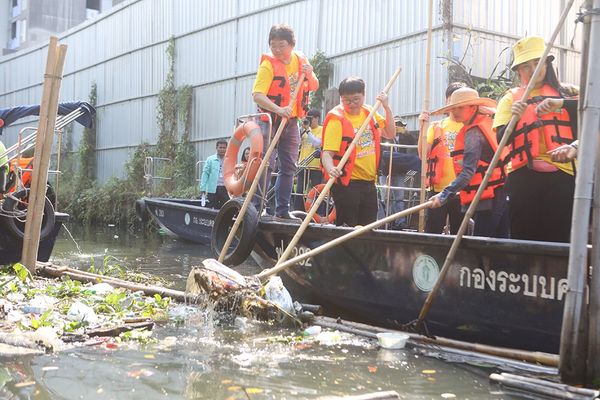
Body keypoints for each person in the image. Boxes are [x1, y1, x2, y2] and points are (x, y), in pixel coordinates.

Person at [493, 36, 578, 242]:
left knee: (559, 238)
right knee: (524, 236)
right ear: (518, 71)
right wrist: (514, 118)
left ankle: (558, 275)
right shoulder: (509, 98)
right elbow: (501, 140)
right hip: (523, 177)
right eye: (525, 66)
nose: (533, 70)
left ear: (547, 63)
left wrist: (560, 104)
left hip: (562, 175)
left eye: (537, 63)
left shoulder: (569, 92)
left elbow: (592, 110)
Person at [252, 24, 319, 222]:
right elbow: (257, 95)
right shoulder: (268, 65)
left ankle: (282, 210)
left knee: (289, 166)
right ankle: (256, 208)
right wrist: (279, 109)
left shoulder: (301, 60)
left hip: (291, 121)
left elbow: (314, 85)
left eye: (281, 45)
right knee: (266, 164)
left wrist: (310, 73)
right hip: (270, 120)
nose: (277, 50)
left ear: (291, 44)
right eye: (273, 46)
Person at [429, 87, 509, 238]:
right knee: (501, 242)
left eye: (460, 107)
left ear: (473, 108)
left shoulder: (473, 133)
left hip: (491, 197)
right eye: (454, 108)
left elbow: (468, 172)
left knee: (481, 241)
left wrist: (444, 195)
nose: (455, 111)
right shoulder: (485, 123)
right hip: (498, 192)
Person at [321, 76, 395, 226]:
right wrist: (331, 168)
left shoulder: (370, 112)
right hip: (347, 184)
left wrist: (386, 107)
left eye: (356, 99)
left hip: (369, 183)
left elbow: (390, 133)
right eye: (346, 100)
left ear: (364, 95)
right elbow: (327, 153)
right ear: (341, 98)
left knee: (367, 229)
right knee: (347, 228)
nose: (352, 104)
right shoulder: (337, 119)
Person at [418, 82, 467, 234]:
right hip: (438, 191)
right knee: (432, 233)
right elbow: (422, 155)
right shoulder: (436, 126)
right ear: (447, 101)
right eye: (453, 100)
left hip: (463, 192)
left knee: (461, 236)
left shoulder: (471, 126)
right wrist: (422, 127)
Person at [377, 116, 419, 230]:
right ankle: (386, 220)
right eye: (396, 124)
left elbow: (415, 143)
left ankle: (400, 221)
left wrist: (406, 132)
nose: (398, 127)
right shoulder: (384, 135)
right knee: (385, 196)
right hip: (385, 170)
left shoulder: (405, 137)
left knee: (399, 197)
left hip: (399, 171)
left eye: (401, 125)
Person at [295, 109, 323, 210]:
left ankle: (317, 213)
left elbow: (317, 143)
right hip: (303, 165)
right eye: (307, 119)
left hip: (315, 166)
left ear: (317, 118)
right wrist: (301, 131)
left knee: (316, 191)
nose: (309, 121)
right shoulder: (303, 130)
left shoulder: (321, 129)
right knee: (299, 191)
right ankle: (298, 212)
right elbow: (296, 144)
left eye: (311, 119)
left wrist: (308, 131)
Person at [199, 140, 229, 209]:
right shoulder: (210, 159)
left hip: (225, 188)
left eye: (224, 148)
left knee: (225, 207)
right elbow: (205, 173)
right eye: (220, 147)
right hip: (213, 188)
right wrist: (203, 188)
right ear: (216, 148)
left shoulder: (229, 159)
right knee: (213, 207)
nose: (222, 149)